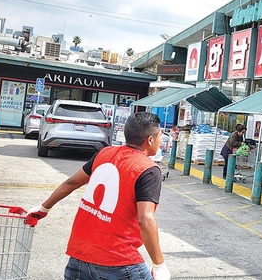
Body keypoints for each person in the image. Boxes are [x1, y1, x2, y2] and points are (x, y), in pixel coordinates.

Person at [27, 112, 170, 280]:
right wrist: (159, 265)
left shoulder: (104, 153)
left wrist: (44, 208)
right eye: (160, 135)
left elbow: (72, 183)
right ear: (150, 140)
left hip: (79, 258)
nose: (161, 141)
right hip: (119, 262)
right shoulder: (148, 169)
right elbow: (145, 219)